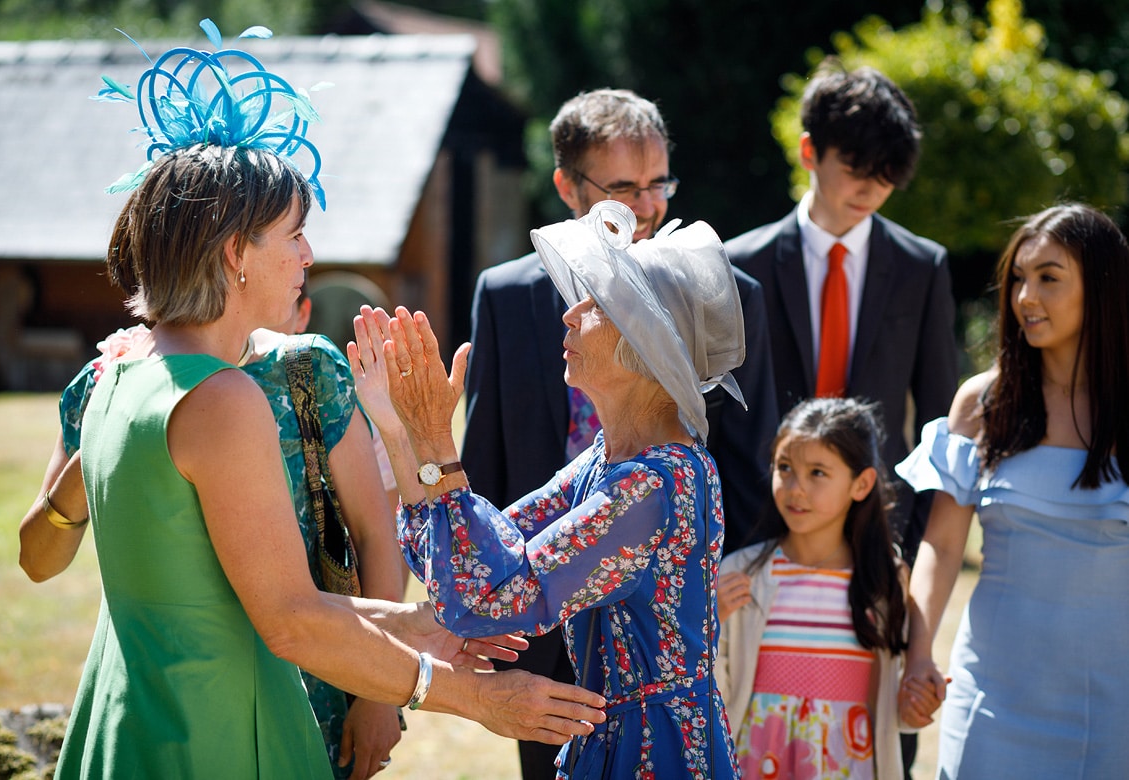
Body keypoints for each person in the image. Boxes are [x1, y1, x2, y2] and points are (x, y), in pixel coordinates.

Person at [21, 22, 605, 779]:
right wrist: (475, 700)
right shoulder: (223, 399)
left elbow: (249, 593)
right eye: (293, 235)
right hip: (223, 734)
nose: (308, 256)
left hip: (133, 723)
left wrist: (417, 625)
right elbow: (291, 621)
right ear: (235, 254)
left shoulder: (118, 377)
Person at [348, 200, 743, 778]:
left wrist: (435, 438)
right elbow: (471, 564)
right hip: (613, 743)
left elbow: (489, 600)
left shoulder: (655, 484)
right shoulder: (608, 462)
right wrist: (402, 434)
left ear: (646, 345)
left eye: (597, 305)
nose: (569, 313)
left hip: (655, 756)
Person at [462, 87, 778, 779]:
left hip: (662, 632)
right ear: (568, 186)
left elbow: (751, 461)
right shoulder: (506, 296)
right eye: (623, 188)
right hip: (542, 634)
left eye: (657, 184)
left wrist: (705, 573)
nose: (644, 207)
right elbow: (487, 464)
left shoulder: (728, 300)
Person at [31, 288, 406, 778]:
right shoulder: (107, 380)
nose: (306, 255)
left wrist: (380, 693)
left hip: (324, 684)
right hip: (162, 698)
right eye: (292, 236)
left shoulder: (306, 372)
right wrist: (113, 434)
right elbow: (37, 562)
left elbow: (375, 534)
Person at [896, 202, 1129, 778]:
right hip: (992, 697)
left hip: (1115, 706)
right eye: (1019, 279)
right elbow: (943, 545)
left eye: (1049, 278)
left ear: (1101, 286)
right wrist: (919, 652)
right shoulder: (981, 404)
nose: (1025, 297)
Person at [724, 61, 958, 565]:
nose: (871, 190)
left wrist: (911, 548)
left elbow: (938, 420)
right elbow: (714, 416)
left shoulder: (923, 267)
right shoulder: (737, 265)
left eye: (888, 176)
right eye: (857, 170)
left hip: (879, 535)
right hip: (757, 534)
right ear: (809, 151)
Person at [717, 397, 924, 779]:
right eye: (785, 468)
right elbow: (718, 695)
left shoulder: (884, 581)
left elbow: (893, 707)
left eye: (817, 472)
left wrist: (914, 707)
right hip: (753, 763)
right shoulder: (740, 574)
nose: (796, 488)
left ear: (861, 484)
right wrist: (710, 625)